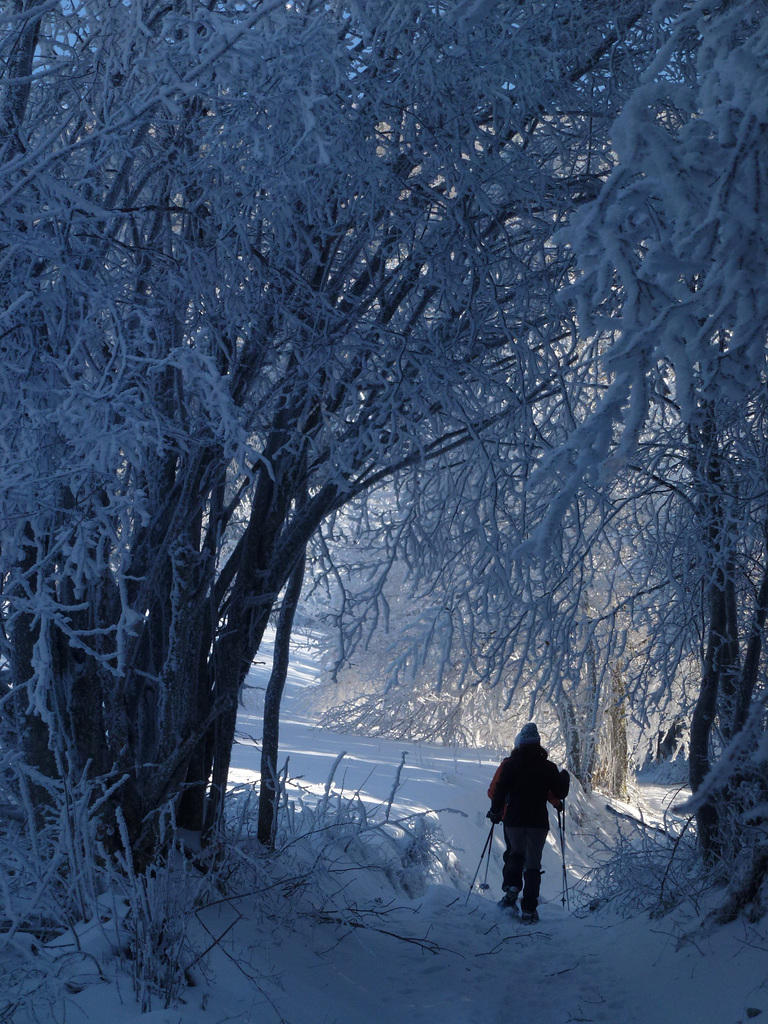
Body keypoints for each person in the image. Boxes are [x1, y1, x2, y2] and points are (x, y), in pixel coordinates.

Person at [487, 722, 570, 923]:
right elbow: (560, 793)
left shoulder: (510, 765)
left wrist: (495, 812)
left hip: (514, 820)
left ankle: (511, 894)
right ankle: (529, 910)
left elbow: (499, 790)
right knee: (533, 864)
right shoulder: (548, 767)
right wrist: (564, 777)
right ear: (538, 744)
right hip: (537, 823)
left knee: (515, 855)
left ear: (520, 744)